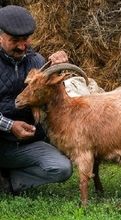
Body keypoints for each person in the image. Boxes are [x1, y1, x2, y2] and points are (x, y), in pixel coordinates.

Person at [0, 5, 72, 195]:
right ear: (0, 37)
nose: (23, 46)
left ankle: (11, 182)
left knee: (62, 168)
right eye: (15, 40)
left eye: (26, 39)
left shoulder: (37, 62)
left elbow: (57, 101)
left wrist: (58, 69)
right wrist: (9, 125)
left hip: (27, 145)